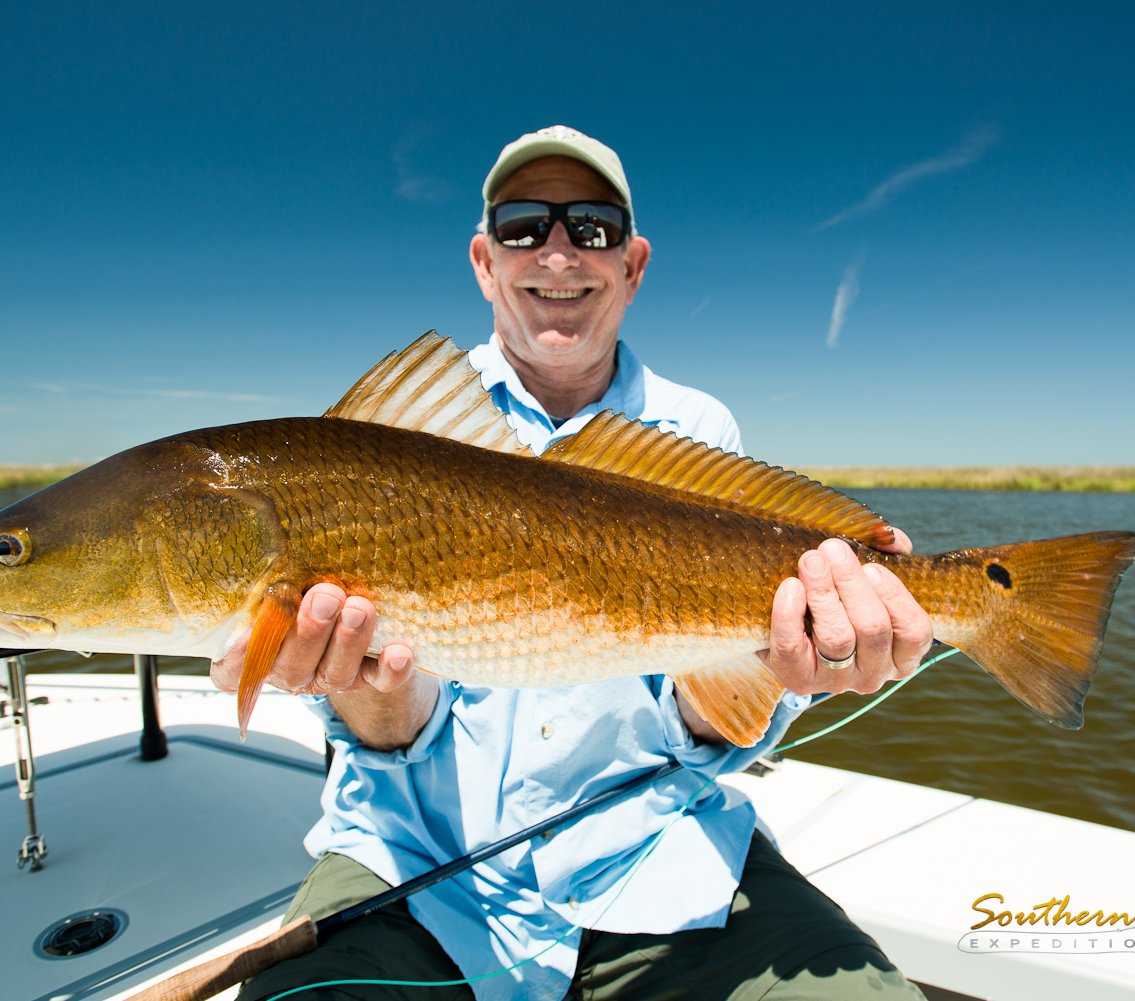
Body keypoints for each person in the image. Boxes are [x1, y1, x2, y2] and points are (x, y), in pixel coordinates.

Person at [214, 126, 934, 1000]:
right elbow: (390, 733)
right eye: (523, 226)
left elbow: (722, 716)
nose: (557, 251)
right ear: (485, 262)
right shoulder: (384, 441)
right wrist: (367, 687)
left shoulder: (698, 430)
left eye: (591, 227)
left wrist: (793, 668)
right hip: (414, 872)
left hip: (662, 867)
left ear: (633, 265)